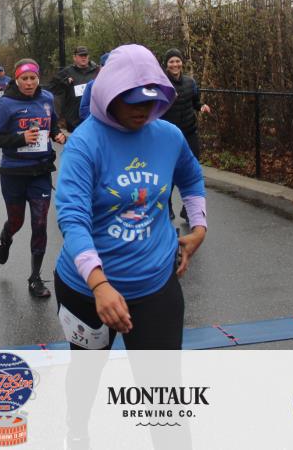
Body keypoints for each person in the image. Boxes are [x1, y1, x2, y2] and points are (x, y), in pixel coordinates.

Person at [53, 43, 207, 350]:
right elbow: (73, 218)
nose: (143, 110)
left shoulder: (169, 136)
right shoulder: (84, 144)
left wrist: (199, 228)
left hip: (156, 285)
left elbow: (191, 178)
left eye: (150, 101)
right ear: (109, 94)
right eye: (133, 102)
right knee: (86, 374)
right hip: (86, 289)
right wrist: (99, 284)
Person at [0, 59, 68, 298]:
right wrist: (20, 139)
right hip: (13, 173)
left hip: (40, 172)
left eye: (33, 78)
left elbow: (53, 125)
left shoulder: (47, 98)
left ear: (38, 78)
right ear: (17, 79)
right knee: (17, 221)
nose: (29, 83)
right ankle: (6, 237)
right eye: (25, 79)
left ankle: (35, 278)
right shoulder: (6, 104)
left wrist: (57, 135)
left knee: (40, 223)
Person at [161, 48, 212, 222]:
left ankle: (188, 210)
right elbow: (155, 108)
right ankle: (167, 206)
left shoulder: (190, 83)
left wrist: (202, 106)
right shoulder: (161, 84)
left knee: (192, 171)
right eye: (171, 62)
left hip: (189, 133)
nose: (175, 64)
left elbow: (195, 102)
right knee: (169, 172)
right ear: (166, 65)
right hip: (169, 137)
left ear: (182, 63)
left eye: (177, 61)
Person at [48, 45, 99, 133]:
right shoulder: (67, 72)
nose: (83, 58)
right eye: (81, 55)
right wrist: (64, 82)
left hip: (93, 118)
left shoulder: (97, 71)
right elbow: (52, 87)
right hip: (73, 120)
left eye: (85, 55)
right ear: (74, 57)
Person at [77, 52, 110, 122]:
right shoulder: (92, 85)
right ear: (100, 67)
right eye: (104, 66)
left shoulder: (123, 85)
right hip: (97, 124)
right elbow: (83, 111)